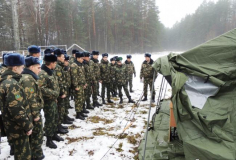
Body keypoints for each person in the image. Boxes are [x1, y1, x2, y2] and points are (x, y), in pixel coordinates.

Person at [0, 53, 33, 160]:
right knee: (23, 154)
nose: (23, 70)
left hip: (10, 124)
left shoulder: (5, 80)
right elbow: (16, 108)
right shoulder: (12, 84)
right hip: (17, 126)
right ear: (15, 68)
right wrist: (27, 125)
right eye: (21, 67)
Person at [20, 56, 45, 160]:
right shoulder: (27, 79)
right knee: (37, 134)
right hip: (31, 112)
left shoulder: (30, 77)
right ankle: (36, 154)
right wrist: (35, 114)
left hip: (32, 111)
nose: (40, 70)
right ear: (31, 67)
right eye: (38, 67)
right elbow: (31, 99)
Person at [38, 54, 62, 149]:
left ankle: (54, 134)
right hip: (47, 101)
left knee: (55, 117)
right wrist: (54, 93)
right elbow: (41, 88)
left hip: (53, 99)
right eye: (55, 63)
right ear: (51, 63)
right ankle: (49, 139)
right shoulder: (43, 74)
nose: (56, 64)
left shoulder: (51, 72)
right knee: (49, 119)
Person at [54, 49, 72, 134]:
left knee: (61, 109)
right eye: (62, 56)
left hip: (62, 91)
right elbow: (58, 81)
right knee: (59, 110)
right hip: (59, 93)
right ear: (58, 57)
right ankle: (58, 126)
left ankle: (59, 125)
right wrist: (61, 92)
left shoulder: (60, 66)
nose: (64, 58)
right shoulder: (57, 67)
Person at [71, 52, 88, 120]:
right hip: (78, 86)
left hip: (81, 85)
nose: (82, 60)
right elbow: (74, 77)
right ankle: (78, 113)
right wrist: (75, 86)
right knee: (78, 100)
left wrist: (84, 83)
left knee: (81, 99)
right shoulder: (74, 65)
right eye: (81, 58)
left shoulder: (80, 65)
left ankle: (80, 111)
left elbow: (82, 75)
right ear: (77, 58)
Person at [63, 54, 75, 121]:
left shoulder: (68, 68)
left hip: (68, 86)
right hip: (63, 88)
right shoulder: (61, 68)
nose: (67, 62)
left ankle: (66, 115)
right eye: (65, 61)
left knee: (66, 101)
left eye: (67, 61)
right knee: (64, 104)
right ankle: (64, 117)